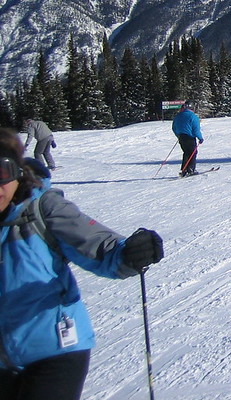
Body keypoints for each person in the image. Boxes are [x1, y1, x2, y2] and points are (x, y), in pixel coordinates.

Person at [0, 127, 163, 400]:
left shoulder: (43, 209)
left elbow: (100, 247)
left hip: (54, 352)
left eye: (1, 172)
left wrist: (129, 253)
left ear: (17, 171)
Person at [171, 102, 204, 176]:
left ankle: (184, 169)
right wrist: (200, 138)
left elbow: (174, 128)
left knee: (186, 152)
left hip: (181, 137)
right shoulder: (193, 116)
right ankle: (191, 169)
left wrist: (178, 135)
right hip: (190, 137)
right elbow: (196, 129)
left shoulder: (178, 116)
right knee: (193, 152)